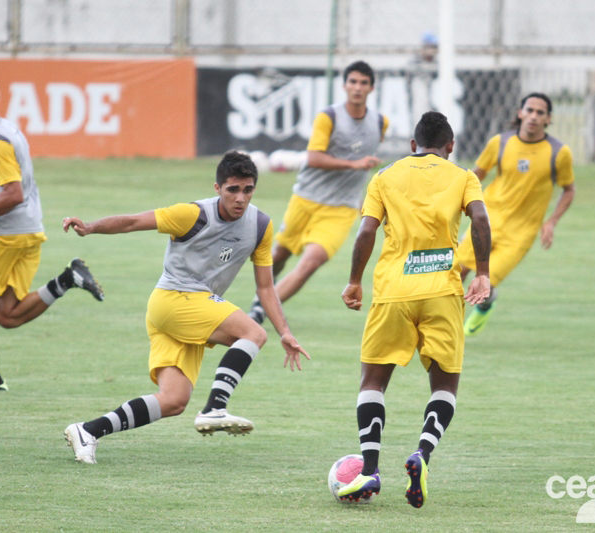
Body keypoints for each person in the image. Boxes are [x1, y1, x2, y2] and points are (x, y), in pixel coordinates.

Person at [62, 151, 310, 465]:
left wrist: (285, 332)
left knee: (173, 401)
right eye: (233, 189)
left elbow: (265, 287)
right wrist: (91, 227)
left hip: (182, 311)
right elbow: (134, 221)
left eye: (247, 189)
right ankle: (216, 407)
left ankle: (87, 431)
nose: (240, 198)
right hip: (174, 299)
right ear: (218, 187)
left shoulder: (260, 225)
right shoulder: (193, 215)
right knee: (253, 333)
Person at [338, 112, 491, 507]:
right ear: (450, 145)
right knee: (444, 386)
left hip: (393, 291)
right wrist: (484, 274)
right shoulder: (463, 176)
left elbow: (367, 231)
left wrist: (355, 280)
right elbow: (480, 219)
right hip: (442, 290)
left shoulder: (385, 177)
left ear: (412, 145)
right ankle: (421, 452)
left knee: (372, 381)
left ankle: (370, 469)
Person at [0, 76, 104, 392]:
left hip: (1, 235)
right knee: (8, 315)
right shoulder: (7, 130)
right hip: (28, 230)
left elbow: (13, 193)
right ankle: (67, 279)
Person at [247, 60, 388, 324]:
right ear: (345, 85)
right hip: (306, 199)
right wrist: (353, 164)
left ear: (371, 88)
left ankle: (259, 313)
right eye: (353, 82)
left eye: (364, 83)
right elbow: (313, 158)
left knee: (310, 264)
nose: (357, 88)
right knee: (279, 255)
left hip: (341, 210)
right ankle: (263, 294)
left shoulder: (380, 123)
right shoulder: (330, 117)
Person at [458, 92, 575, 336]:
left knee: (483, 285)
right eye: (529, 110)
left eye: (539, 112)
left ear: (548, 119)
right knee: (457, 273)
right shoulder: (500, 143)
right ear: (520, 113)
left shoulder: (558, 153)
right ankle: (445, 328)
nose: (533, 116)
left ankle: (485, 306)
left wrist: (551, 222)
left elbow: (568, 190)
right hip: (487, 220)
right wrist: (456, 203)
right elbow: (475, 176)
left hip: (521, 233)